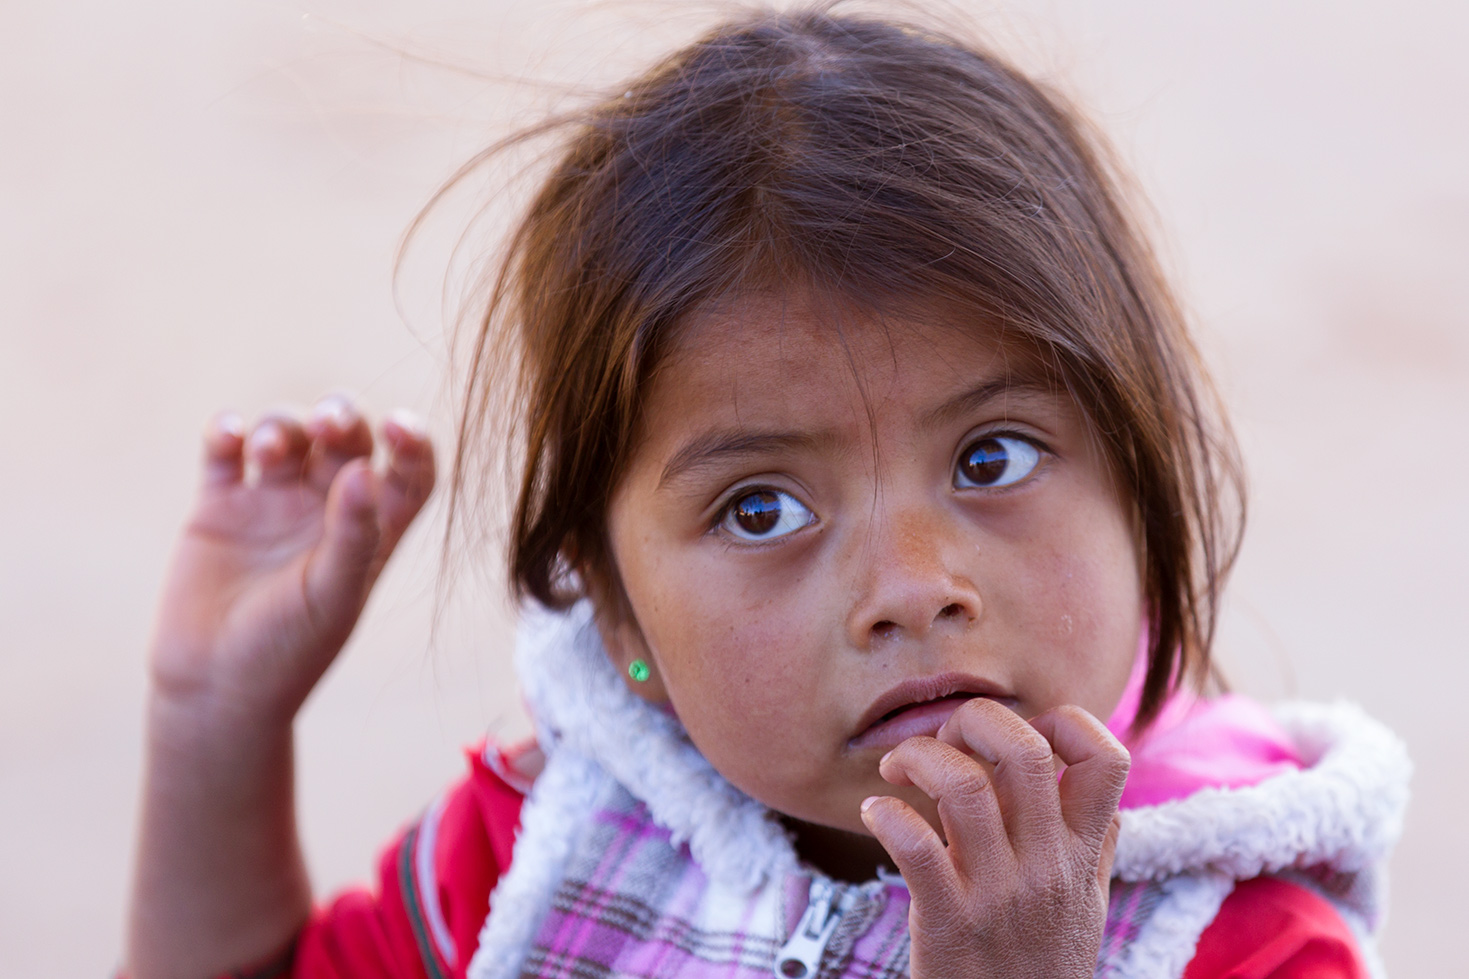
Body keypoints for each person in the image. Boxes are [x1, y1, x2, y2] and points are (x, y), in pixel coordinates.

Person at [123, 7, 1410, 979]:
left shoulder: (1239, 936)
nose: (911, 588)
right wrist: (215, 726)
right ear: (617, 613)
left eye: (990, 458)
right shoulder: (548, 845)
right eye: (759, 509)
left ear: (1142, 484)